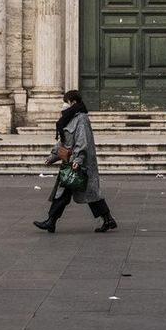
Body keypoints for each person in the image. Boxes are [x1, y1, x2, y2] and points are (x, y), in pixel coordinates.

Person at [34, 90, 117, 233]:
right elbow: (64, 140)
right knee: (69, 192)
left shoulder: (81, 118)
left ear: (73, 102)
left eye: (66, 101)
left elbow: (82, 141)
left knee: (87, 192)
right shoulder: (70, 118)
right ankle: (51, 221)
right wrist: (53, 156)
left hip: (78, 164)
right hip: (70, 163)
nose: (64, 105)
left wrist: (78, 159)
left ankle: (51, 221)